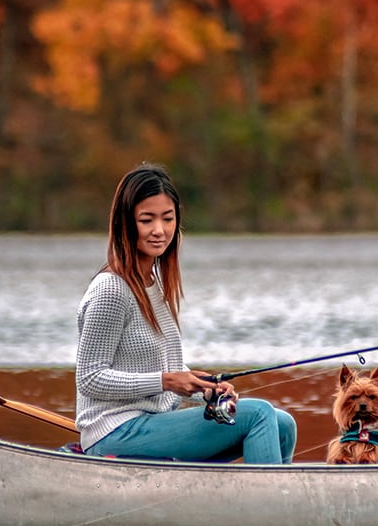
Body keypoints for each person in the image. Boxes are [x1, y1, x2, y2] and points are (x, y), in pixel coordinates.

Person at [75, 164, 296, 464]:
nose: (159, 230)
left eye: (168, 219)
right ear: (125, 224)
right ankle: (270, 505)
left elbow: (165, 367)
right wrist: (166, 381)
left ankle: (253, 500)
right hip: (115, 431)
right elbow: (90, 378)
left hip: (152, 423)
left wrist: (203, 388)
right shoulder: (112, 290)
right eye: (146, 220)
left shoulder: (152, 284)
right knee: (257, 415)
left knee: (283, 424)